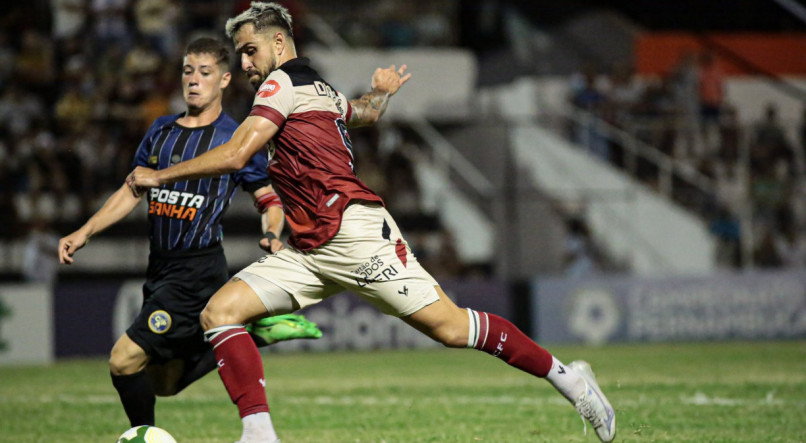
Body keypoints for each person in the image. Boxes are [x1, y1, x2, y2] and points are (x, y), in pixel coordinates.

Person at [126, 4, 616, 442]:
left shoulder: (281, 84)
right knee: (220, 312)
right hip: (310, 248)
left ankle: (569, 378)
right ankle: (259, 433)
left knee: (451, 327)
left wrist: (158, 174)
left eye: (250, 51)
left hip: (356, 235)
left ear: (279, 42)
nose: (247, 65)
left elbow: (235, 155)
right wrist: (380, 94)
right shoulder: (317, 88)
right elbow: (360, 112)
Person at [58, 37, 321, 429]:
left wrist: (272, 233)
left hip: (197, 271)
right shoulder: (161, 131)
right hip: (160, 268)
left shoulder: (236, 140)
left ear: (225, 80)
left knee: (124, 360)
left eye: (204, 72)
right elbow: (132, 189)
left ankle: (142, 437)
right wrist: (85, 231)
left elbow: (268, 198)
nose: (193, 81)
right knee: (162, 383)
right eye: (187, 71)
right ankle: (245, 332)